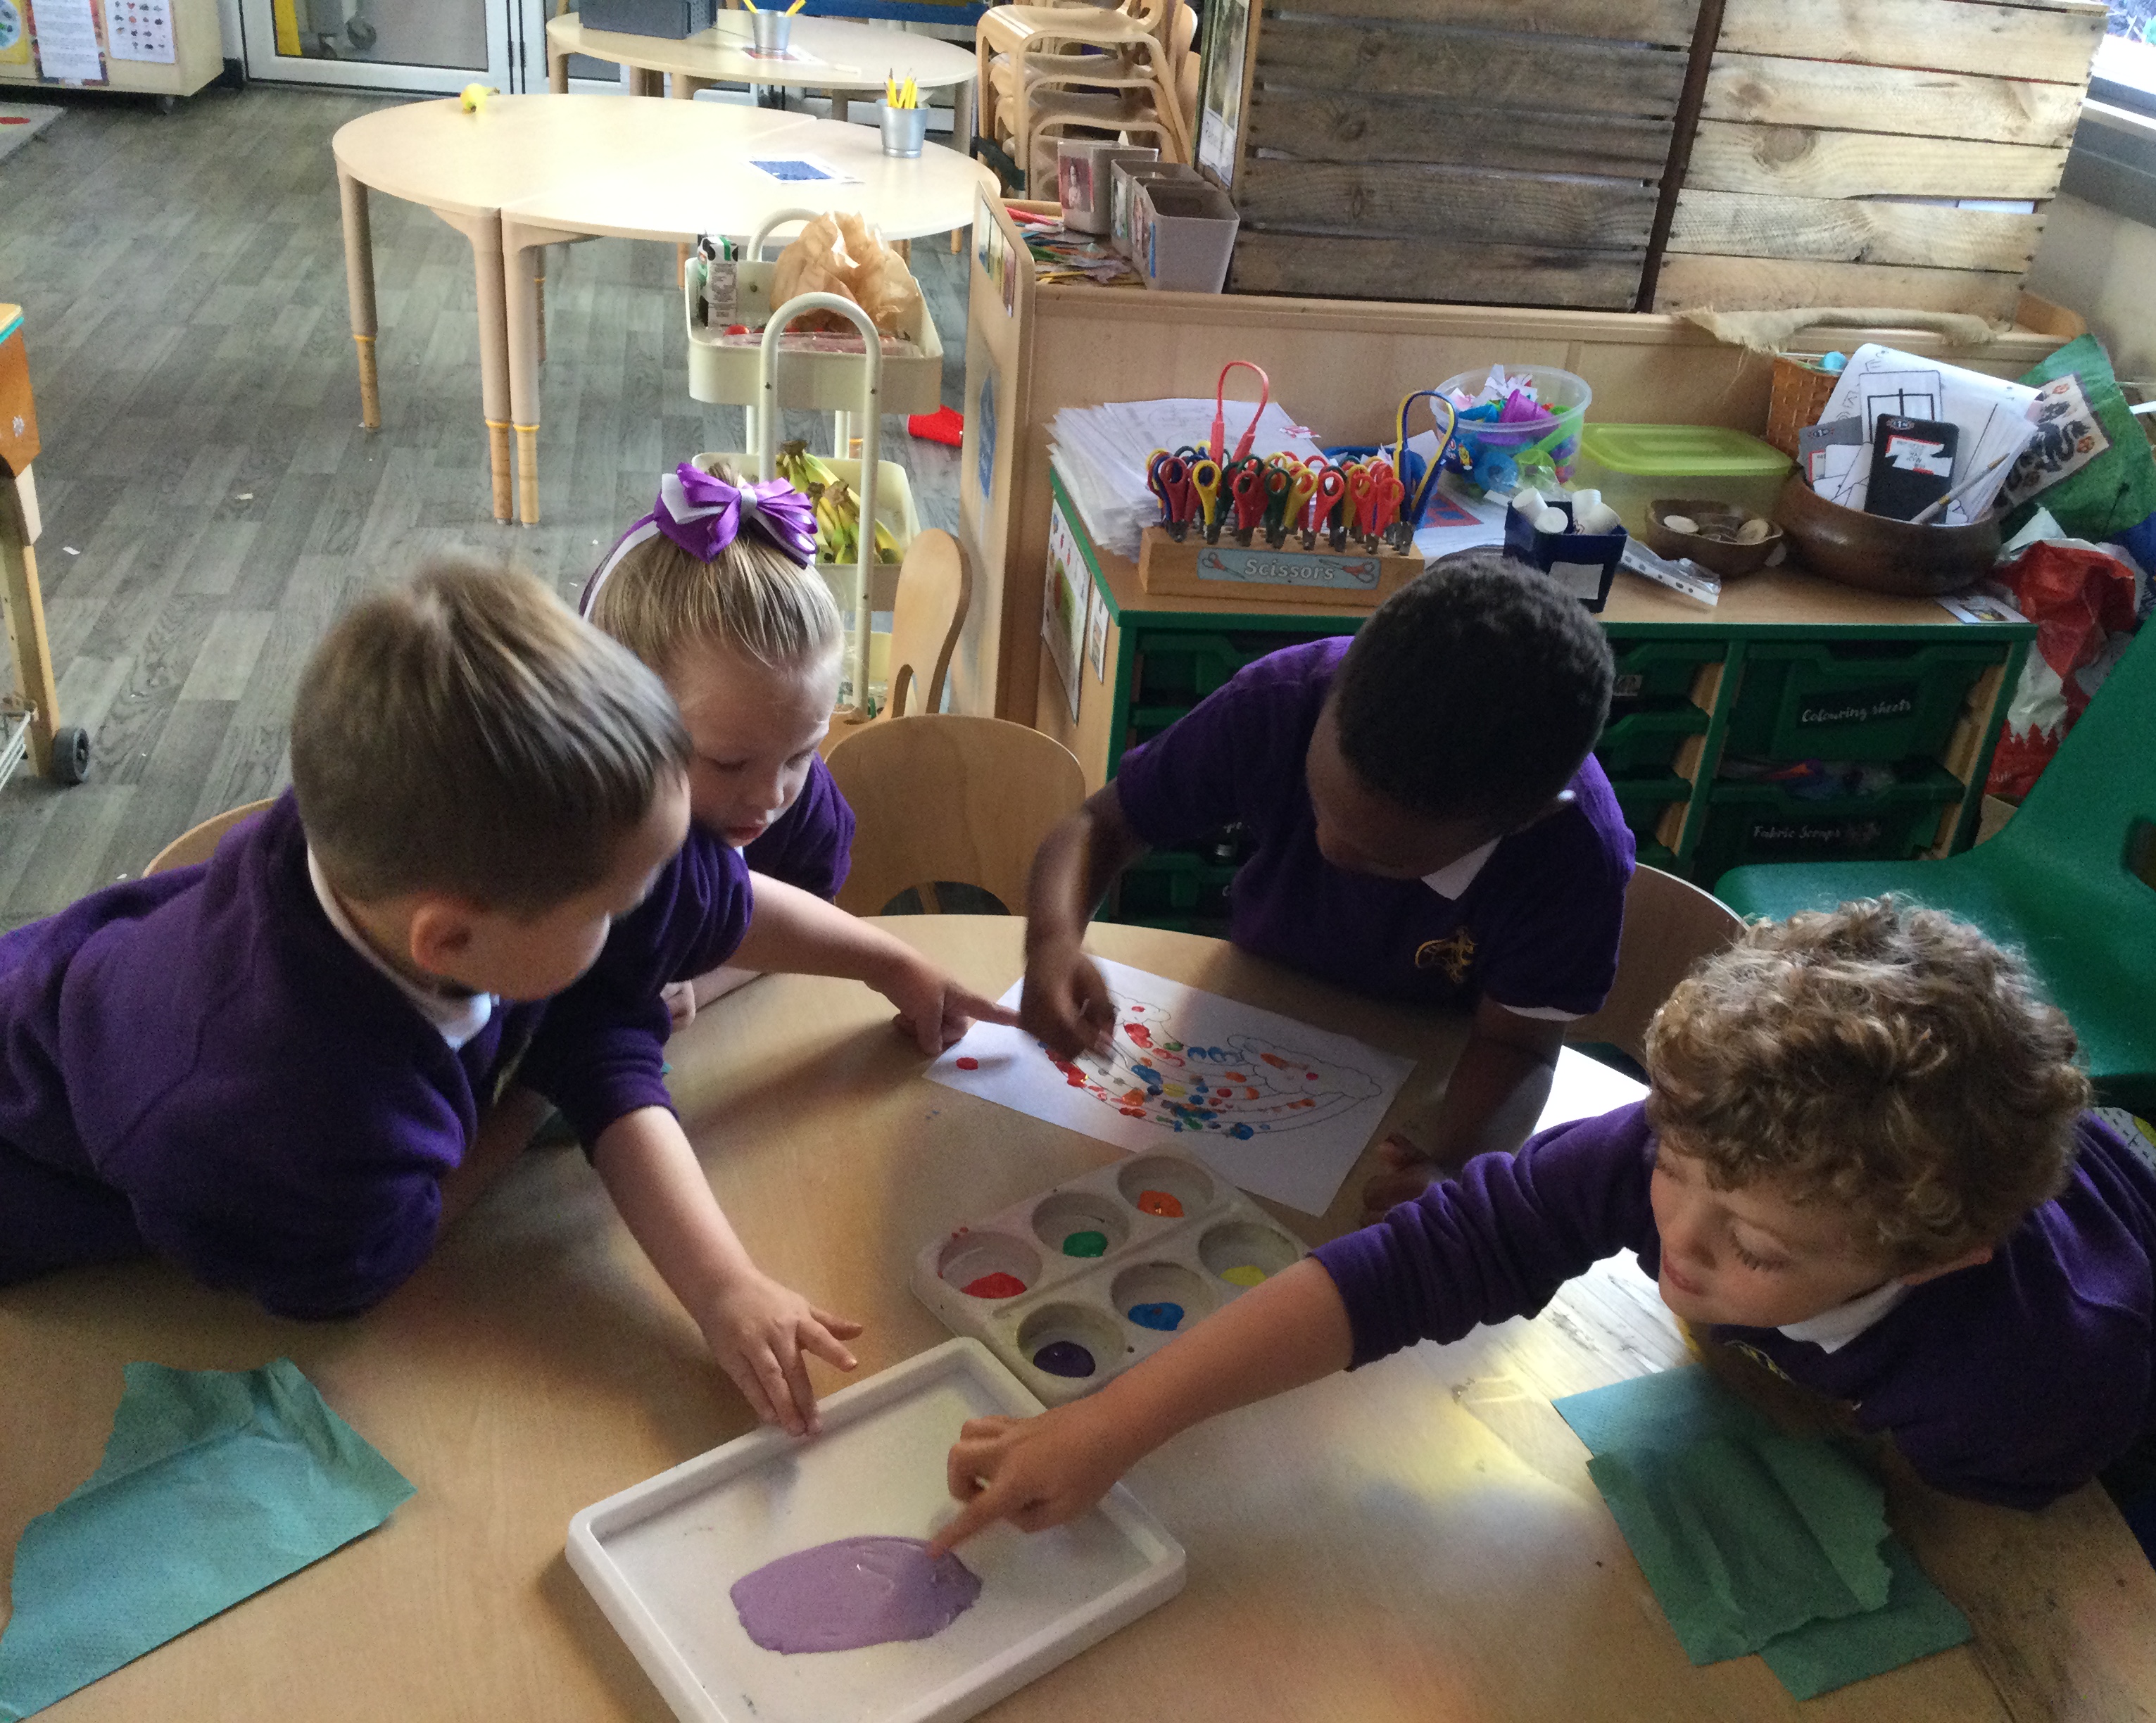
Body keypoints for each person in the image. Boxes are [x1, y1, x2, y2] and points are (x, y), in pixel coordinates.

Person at [932, 901, 2156, 1546]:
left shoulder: (2023, 1386)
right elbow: (1418, 1264)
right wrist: (1114, 1422)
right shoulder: (1713, 1149)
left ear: (1929, 1262)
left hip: (2119, 1409)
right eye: (1672, 1172)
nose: (1678, 1243)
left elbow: (1982, 1539)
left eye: (1753, 1247)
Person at [0, 564, 876, 1434]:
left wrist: (891, 965)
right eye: (608, 914)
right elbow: (366, 1267)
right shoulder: (294, 1119)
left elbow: (705, 901)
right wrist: (536, 1085)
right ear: (451, 943)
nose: (638, 924)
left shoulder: (466, 845)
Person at [1020, 550, 1632, 1215]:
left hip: (1421, 1082)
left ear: (1522, 820)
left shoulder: (1574, 858)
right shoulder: (1280, 702)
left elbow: (1519, 1045)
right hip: (1247, 1011)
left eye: (1384, 859)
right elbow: (1100, 822)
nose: (1329, 848)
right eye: (1320, 803)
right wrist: (1053, 940)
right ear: (1335, 686)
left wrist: (1456, 1165)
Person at [579, 459, 900, 1028]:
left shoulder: (811, 812)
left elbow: (811, 914)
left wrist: (704, 985)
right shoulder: (583, 835)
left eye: (802, 754)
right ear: (620, 723)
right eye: (729, 763)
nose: (773, 795)